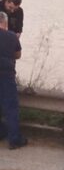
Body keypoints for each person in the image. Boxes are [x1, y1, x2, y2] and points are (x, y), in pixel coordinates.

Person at [0, 12, 28, 149]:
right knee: (11, 108)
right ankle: (14, 139)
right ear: (5, 23)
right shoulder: (11, 36)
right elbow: (18, 54)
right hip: (6, 75)